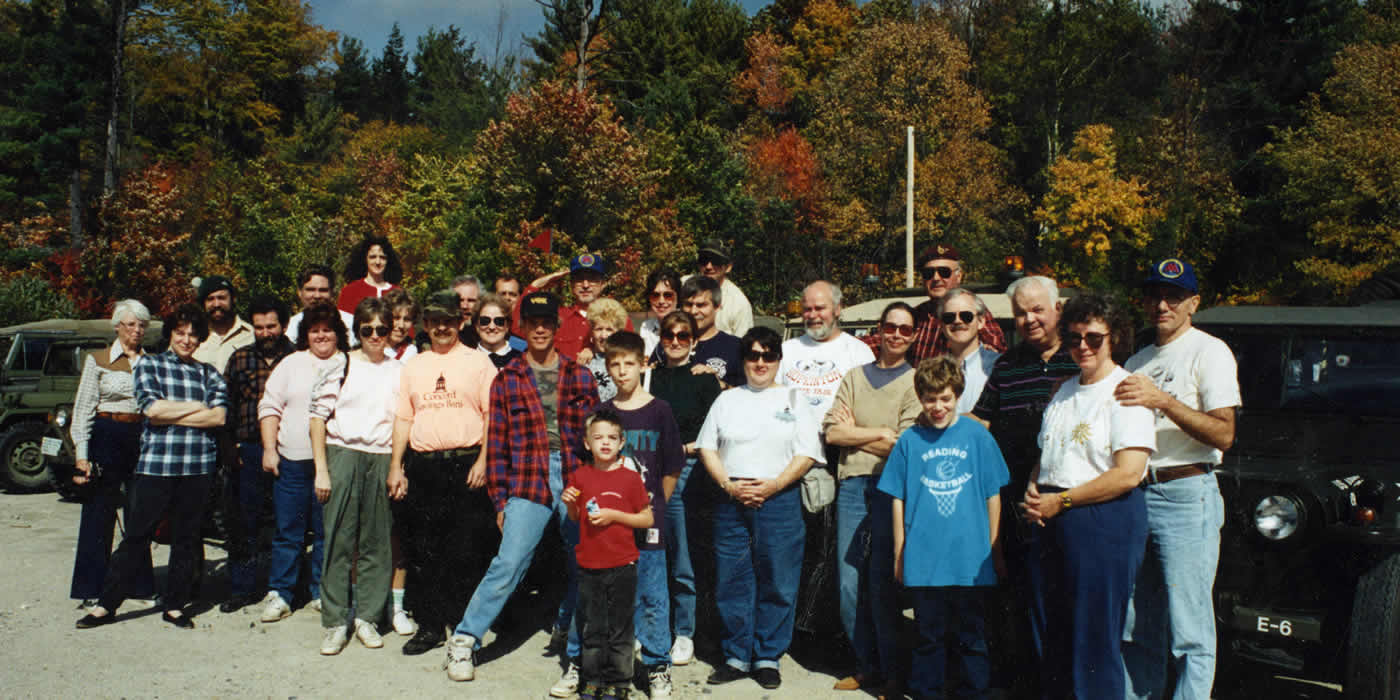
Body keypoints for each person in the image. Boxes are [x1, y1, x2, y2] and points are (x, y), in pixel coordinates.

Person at [445, 291, 599, 682]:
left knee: (585, 556)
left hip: (573, 477)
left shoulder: (579, 375)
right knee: (509, 561)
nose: (541, 328)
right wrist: (500, 501)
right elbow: (495, 444)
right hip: (527, 478)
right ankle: (465, 640)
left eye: (548, 321)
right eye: (533, 322)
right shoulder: (507, 377)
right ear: (523, 327)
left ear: (556, 326)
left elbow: (598, 437)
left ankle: (569, 626)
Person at [1021, 291, 1155, 699]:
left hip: (1102, 519)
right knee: (1052, 629)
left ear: (1114, 337)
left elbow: (1128, 474)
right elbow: (1051, 452)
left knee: (1093, 635)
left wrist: (1060, 501)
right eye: (1076, 337)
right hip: (1052, 516)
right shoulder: (1063, 391)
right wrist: (1033, 484)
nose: (1083, 346)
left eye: (1094, 338)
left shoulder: (1126, 392)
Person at [1120, 259, 1240, 700]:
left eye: (1173, 296)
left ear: (1193, 302)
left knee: (1189, 626)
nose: (1162, 304)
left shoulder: (1209, 351)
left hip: (1187, 492)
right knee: (1137, 620)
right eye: (1153, 295)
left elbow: (1224, 432)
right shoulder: (1137, 358)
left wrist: (1163, 401)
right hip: (1137, 492)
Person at [76, 304, 229, 630]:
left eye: (193, 335)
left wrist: (178, 411)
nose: (187, 340)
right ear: (171, 334)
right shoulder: (150, 365)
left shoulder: (209, 373)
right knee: (136, 536)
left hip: (197, 466)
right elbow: (152, 409)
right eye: (181, 333)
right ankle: (107, 604)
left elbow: (219, 417)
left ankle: (174, 605)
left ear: (200, 339)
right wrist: (196, 407)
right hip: (157, 466)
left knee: (187, 539)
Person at [696, 327, 824, 690]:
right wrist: (728, 486)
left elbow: (808, 452)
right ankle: (736, 655)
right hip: (731, 498)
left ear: (778, 360)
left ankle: (768, 655)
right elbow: (707, 447)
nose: (761, 362)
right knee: (732, 578)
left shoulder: (796, 399)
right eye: (753, 355)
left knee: (778, 579)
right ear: (744, 360)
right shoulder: (727, 400)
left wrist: (775, 485)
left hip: (779, 498)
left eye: (768, 355)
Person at [560, 331, 683, 700]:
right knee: (594, 601)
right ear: (607, 368)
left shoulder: (659, 410)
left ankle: (657, 664)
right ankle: (579, 663)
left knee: (652, 595)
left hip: (645, 523)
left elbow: (673, 465)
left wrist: (653, 508)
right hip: (603, 532)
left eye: (630, 363)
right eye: (615, 364)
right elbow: (590, 474)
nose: (622, 371)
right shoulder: (604, 414)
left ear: (643, 364)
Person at [970, 275, 1077, 697]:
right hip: (1015, 500)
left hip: (1067, 501)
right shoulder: (1008, 364)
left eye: (1037, 310)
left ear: (1058, 310)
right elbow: (982, 421)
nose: (1029, 319)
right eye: (1020, 312)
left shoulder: (1081, 357)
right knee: (1018, 599)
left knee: (1063, 600)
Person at [878, 356, 1009, 700]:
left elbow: (993, 494)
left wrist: (995, 548)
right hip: (924, 556)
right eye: (930, 398)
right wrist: (899, 551)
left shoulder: (976, 437)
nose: (938, 407)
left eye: (946, 398)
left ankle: (974, 691)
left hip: (970, 556)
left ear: (958, 396)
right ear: (920, 397)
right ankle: (927, 691)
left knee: (972, 634)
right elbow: (897, 498)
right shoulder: (909, 441)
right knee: (928, 634)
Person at [392, 290, 500, 656]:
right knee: (426, 548)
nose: (441, 327)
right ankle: (430, 625)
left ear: (460, 322)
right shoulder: (415, 365)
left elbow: (491, 416)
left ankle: (463, 625)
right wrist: (397, 466)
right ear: (425, 325)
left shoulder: (478, 363)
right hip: (424, 466)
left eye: (448, 321)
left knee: (466, 547)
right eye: (434, 321)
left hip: (466, 462)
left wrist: (484, 461)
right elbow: (404, 417)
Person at [824, 302, 921, 696]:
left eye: (905, 329)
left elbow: (907, 446)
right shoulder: (853, 377)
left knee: (883, 583)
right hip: (851, 486)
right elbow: (833, 433)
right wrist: (881, 433)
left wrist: (859, 431)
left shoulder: (916, 382)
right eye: (891, 327)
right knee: (849, 584)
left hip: (890, 491)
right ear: (878, 331)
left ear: (913, 335)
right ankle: (867, 665)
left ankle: (894, 673)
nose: (897, 335)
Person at [779, 280, 874, 638]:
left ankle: (828, 631)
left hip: (838, 456)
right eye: (807, 308)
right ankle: (795, 628)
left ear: (837, 309)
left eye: (820, 308)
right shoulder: (787, 350)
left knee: (833, 549)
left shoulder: (859, 351)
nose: (813, 315)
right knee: (797, 547)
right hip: (792, 453)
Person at [310, 298, 404, 655]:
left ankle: (367, 616)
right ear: (358, 332)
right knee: (338, 539)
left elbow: (401, 421)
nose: (375, 336)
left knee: (377, 541)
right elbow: (317, 417)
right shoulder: (341, 363)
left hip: (380, 456)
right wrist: (322, 468)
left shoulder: (398, 370)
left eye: (382, 329)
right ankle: (336, 621)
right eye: (368, 330)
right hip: (343, 454)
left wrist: (398, 465)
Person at [256, 303, 349, 623]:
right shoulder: (291, 364)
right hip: (293, 461)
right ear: (306, 335)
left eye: (327, 329)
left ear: (338, 333)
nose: (321, 336)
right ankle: (280, 593)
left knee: (327, 532)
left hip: (334, 461)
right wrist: (270, 449)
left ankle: (320, 592)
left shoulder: (348, 365)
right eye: (315, 330)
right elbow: (269, 407)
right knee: (288, 531)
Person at [560, 410, 654, 700]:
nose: (605, 443)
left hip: (623, 564)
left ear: (621, 443)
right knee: (593, 628)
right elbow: (576, 518)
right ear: (587, 444)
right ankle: (592, 680)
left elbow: (647, 519)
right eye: (598, 437)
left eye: (612, 438)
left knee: (620, 629)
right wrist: (570, 505)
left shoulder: (630, 478)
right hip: (590, 565)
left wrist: (614, 515)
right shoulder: (580, 475)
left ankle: (619, 682)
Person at [68, 299, 155, 608]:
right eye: (131, 324)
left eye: (142, 325)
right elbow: (83, 410)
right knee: (99, 511)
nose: (137, 330)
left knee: (139, 513)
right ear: (117, 326)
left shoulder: (152, 362)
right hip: (106, 435)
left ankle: (140, 584)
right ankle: (90, 587)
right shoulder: (99, 359)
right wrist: (82, 455)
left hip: (141, 438)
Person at [648, 310, 722, 667]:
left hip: (687, 469)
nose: (675, 341)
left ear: (693, 341)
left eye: (682, 336)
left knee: (681, 556)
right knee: (650, 553)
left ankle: (684, 632)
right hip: (650, 471)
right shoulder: (650, 376)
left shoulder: (704, 380)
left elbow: (713, 435)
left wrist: (684, 450)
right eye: (668, 335)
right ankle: (652, 627)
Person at [218, 296, 296, 613]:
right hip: (248, 450)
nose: (265, 333)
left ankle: (286, 587)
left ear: (284, 325)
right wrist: (228, 447)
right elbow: (226, 407)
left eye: (271, 326)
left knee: (287, 523)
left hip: (290, 450)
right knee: (243, 522)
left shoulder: (298, 357)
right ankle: (242, 588)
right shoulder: (240, 359)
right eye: (259, 327)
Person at [882, 243, 1006, 364]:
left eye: (944, 272)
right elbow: (881, 340)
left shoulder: (971, 310)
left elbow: (995, 347)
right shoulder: (915, 315)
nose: (936, 278)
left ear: (959, 276)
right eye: (928, 273)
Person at [517, 253, 633, 360]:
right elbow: (517, 328)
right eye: (579, 279)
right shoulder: (556, 317)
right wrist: (535, 285)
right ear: (571, 285)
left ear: (602, 284)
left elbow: (630, 352)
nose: (585, 285)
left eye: (592, 279)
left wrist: (594, 350)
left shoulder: (617, 318)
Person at [940, 288, 1002, 414]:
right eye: (949, 317)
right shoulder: (933, 370)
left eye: (966, 316)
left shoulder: (999, 367)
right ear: (941, 325)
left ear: (980, 322)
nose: (957, 321)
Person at [679, 276, 745, 387]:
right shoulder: (670, 341)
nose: (693, 311)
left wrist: (720, 384)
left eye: (701, 305)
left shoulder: (737, 348)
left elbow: (748, 396)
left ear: (717, 307)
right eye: (688, 305)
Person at [685, 238, 753, 337]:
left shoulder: (739, 304)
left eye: (716, 261)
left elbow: (744, 345)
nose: (709, 266)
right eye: (704, 260)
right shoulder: (684, 285)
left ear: (728, 267)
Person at [193, 275, 255, 371]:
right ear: (203, 303)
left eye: (221, 298)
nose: (216, 304)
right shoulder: (191, 335)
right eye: (210, 299)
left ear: (233, 299)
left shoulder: (251, 335)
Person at [286, 265, 358, 348]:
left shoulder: (351, 323)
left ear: (332, 293)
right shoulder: (290, 327)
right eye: (310, 290)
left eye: (323, 290)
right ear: (299, 292)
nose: (317, 296)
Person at [336, 236, 403, 314]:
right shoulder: (349, 292)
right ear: (365, 259)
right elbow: (343, 325)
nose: (378, 262)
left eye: (382, 257)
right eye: (372, 257)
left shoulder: (398, 293)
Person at [583, 298, 628, 402]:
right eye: (599, 329)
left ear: (618, 332)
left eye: (609, 330)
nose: (603, 336)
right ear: (591, 333)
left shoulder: (627, 362)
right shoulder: (585, 363)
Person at [639, 268, 681, 358]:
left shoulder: (688, 325)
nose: (661, 301)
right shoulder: (646, 328)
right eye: (655, 295)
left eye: (668, 295)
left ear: (678, 297)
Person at [474, 294, 522, 369]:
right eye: (485, 321)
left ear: (507, 326)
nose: (492, 327)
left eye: (499, 321)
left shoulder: (521, 358)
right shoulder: (466, 358)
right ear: (477, 325)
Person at [383, 289, 419, 362]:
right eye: (396, 318)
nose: (401, 325)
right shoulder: (371, 349)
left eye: (407, 319)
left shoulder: (411, 352)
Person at [493, 273, 527, 351]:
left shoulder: (526, 330)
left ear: (519, 298)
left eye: (512, 294)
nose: (507, 298)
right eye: (502, 294)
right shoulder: (481, 327)